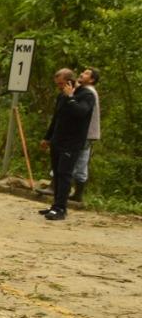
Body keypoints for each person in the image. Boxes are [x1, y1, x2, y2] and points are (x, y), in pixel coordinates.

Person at [39, 68, 95, 220]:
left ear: (70, 81)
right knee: (57, 173)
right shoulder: (61, 95)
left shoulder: (87, 95)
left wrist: (70, 97)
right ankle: (55, 205)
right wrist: (47, 137)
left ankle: (61, 209)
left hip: (72, 142)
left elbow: (81, 113)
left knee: (65, 174)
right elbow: (56, 118)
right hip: (57, 140)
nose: (59, 86)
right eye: (57, 84)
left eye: (61, 83)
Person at [71, 67, 100, 202]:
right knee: (82, 161)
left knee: (69, 157)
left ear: (92, 79)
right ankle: (78, 194)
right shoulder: (89, 91)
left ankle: (56, 186)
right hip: (88, 133)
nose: (82, 74)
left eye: (87, 73)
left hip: (84, 132)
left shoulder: (88, 93)